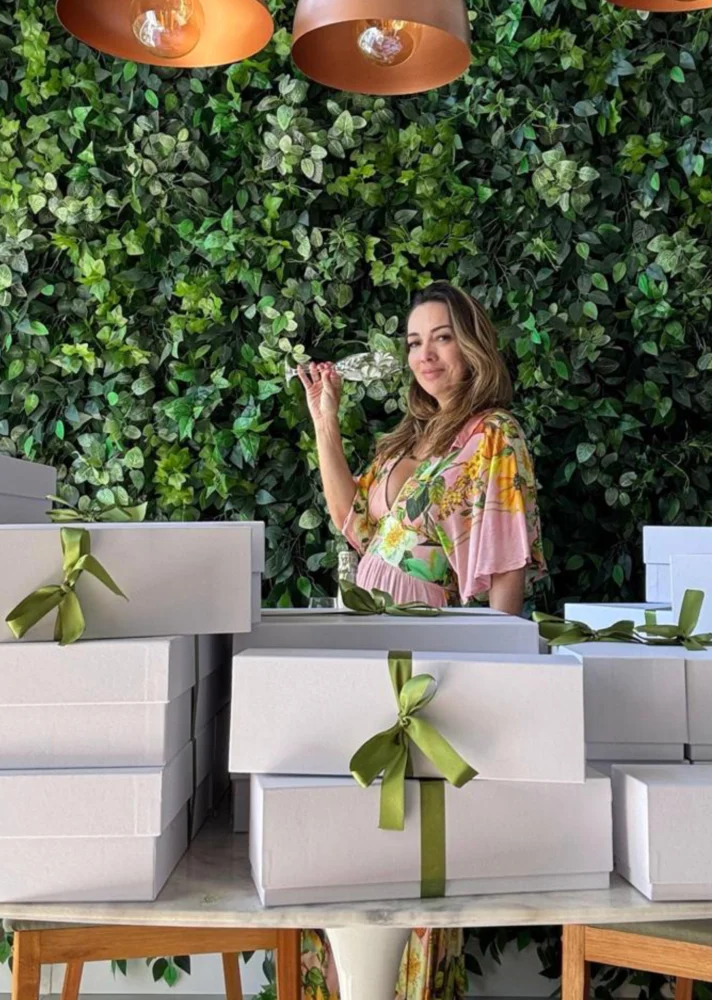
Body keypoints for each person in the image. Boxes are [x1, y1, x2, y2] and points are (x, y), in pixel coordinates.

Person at [296, 282, 546, 1000]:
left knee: (407, 841)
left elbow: (504, 565)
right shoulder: (409, 438)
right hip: (365, 642)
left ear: (473, 345)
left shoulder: (493, 434)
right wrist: (325, 421)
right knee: (348, 839)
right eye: (413, 341)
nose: (425, 355)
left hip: (427, 657)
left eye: (441, 337)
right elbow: (355, 525)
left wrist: (493, 675)